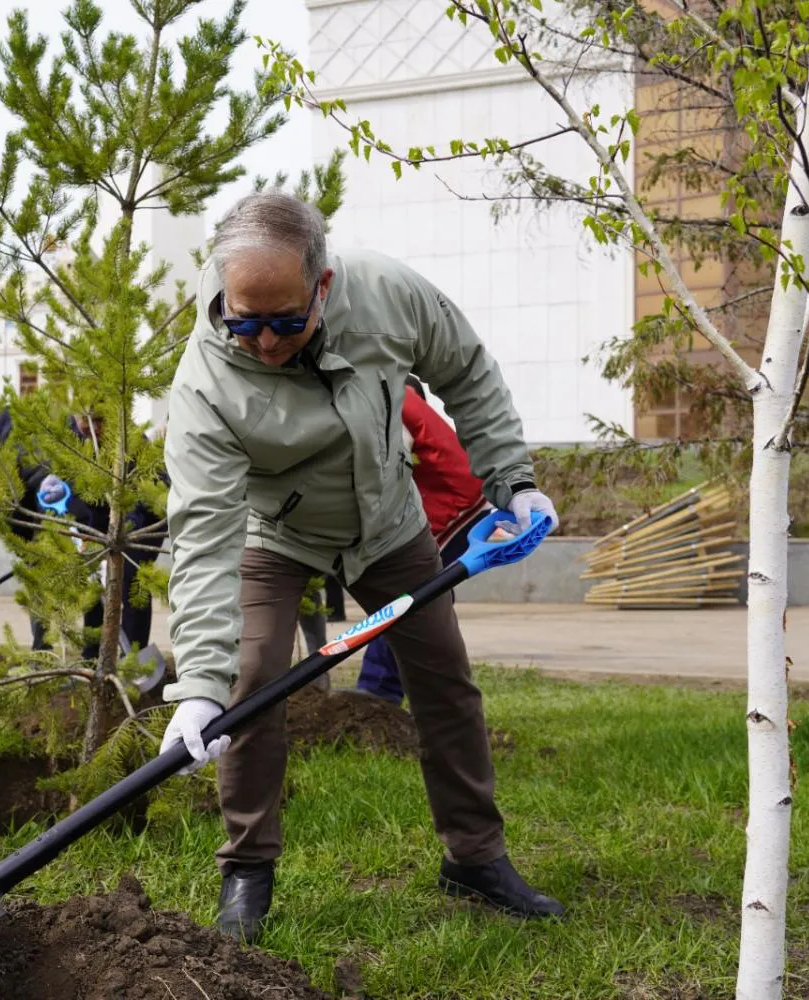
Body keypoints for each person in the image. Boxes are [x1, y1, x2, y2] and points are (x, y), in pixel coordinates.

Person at [158, 191, 565, 941]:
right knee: (252, 685)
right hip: (270, 532)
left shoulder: (387, 294)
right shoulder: (204, 385)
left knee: (445, 683)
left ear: (325, 284)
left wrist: (514, 480)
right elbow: (206, 539)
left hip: (386, 519)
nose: (266, 341)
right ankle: (247, 870)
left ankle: (474, 858)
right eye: (245, 322)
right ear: (223, 296)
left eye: (285, 320)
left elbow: (468, 372)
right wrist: (199, 689)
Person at [354, 375, 492, 704]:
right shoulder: (389, 390)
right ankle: (431, 686)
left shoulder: (381, 397)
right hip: (458, 502)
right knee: (423, 600)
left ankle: (378, 692)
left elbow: (384, 472)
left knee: (400, 598)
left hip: (453, 510)